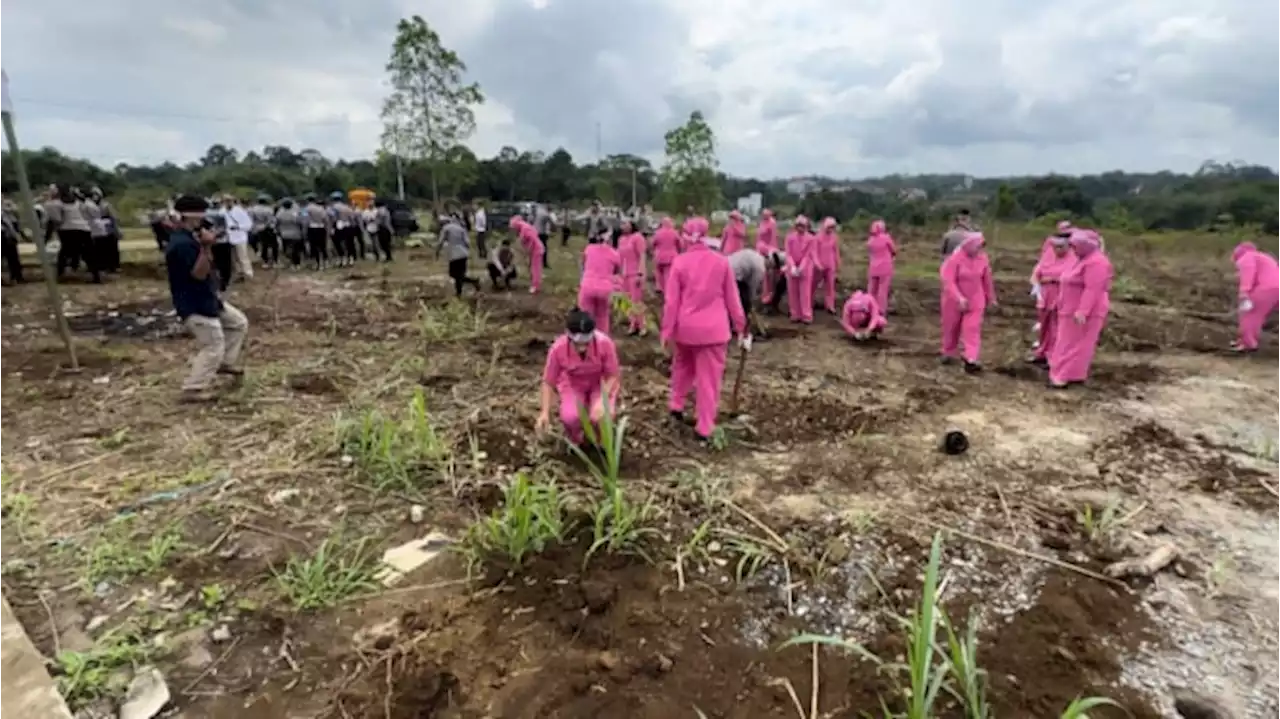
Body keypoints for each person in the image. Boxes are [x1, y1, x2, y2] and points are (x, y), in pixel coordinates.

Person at [661, 232, 749, 443]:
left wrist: (667, 331)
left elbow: (671, 302)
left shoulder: (680, 262)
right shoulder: (721, 263)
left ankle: (676, 405)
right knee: (708, 380)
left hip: (686, 329)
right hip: (714, 331)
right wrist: (741, 326)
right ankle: (704, 426)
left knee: (682, 367)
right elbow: (733, 299)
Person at [164, 196, 248, 403]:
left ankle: (225, 363)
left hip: (207, 298)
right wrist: (207, 247)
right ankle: (193, 388)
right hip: (195, 304)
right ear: (190, 216)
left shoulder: (188, 237)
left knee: (238, 323)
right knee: (212, 344)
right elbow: (199, 274)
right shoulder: (183, 244)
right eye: (201, 214)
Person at [536, 309, 622, 446]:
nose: (582, 348)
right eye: (577, 344)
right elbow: (548, 382)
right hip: (573, 383)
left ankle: (601, 441)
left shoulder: (605, 344)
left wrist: (602, 400)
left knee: (601, 416)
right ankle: (579, 440)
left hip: (601, 383)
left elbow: (612, 375)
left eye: (586, 344)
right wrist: (545, 412)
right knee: (571, 417)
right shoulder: (558, 348)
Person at [1048, 230, 1112, 387]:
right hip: (1069, 309)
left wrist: (1083, 311)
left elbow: (1093, 289)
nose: (1072, 249)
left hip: (1084, 312)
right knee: (1066, 342)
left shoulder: (1097, 263)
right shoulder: (1081, 260)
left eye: (1075, 246)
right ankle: (1069, 374)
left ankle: (1063, 376)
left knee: (1075, 344)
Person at [939, 232, 997, 373]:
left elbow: (986, 279)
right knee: (951, 328)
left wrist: (991, 298)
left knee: (972, 329)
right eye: (977, 247)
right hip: (953, 301)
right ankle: (949, 351)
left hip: (975, 300)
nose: (979, 250)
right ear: (968, 245)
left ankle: (971, 358)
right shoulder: (954, 259)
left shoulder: (982, 259)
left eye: (981, 247)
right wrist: (959, 297)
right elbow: (948, 281)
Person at [1027, 222, 1075, 365]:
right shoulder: (1048, 254)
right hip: (1045, 295)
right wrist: (1036, 281)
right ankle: (1041, 352)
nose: (1057, 250)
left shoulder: (1073, 257)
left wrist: (1052, 279)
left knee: (1056, 327)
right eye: (1055, 247)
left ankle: (1053, 355)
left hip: (1061, 295)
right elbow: (1038, 270)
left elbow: (1071, 277)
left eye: (1061, 247)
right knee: (1044, 325)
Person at [1230, 241, 1280, 353]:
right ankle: (1244, 340)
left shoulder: (1246, 257)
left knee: (1249, 315)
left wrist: (1244, 292)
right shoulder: (1264, 257)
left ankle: (1247, 343)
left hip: (1266, 289)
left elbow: (1248, 274)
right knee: (1257, 315)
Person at [578, 231, 622, 335]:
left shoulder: (589, 249)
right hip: (605, 289)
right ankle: (602, 340)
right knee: (602, 316)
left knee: (586, 315)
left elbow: (583, 265)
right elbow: (617, 271)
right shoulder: (615, 254)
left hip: (588, 286)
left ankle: (585, 339)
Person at [436, 214, 481, 298]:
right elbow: (467, 242)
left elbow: (440, 242)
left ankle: (459, 292)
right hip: (463, 254)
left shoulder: (446, 228)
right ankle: (473, 281)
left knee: (454, 274)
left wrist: (437, 252)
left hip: (454, 254)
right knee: (459, 274)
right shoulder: (461, 228)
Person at [784, 216, 816, 323]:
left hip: (806, 268)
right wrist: (792, 266)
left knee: (805, 292)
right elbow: (788, 254)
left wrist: (800, 268)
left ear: (806, 227)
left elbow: (808, 255)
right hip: (791, 267)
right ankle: (795, 314)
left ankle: (806, 315)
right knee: (793, 291)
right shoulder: (789, 237)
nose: (800, 228)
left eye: (802, 226)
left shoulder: (811, 238)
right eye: (798, 226)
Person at [618, 220, 648, 335]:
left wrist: (641, 273)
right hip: (623, 273)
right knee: (625, 300)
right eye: (622, 224)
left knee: (636, 300)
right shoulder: (621, 239)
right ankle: (632, 323)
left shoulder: (638, 237)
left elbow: (642, 255)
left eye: (625, 223)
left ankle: (642, 325)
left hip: (634, 272)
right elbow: (619, 256)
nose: (623, 226)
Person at [866, 219, 897, 313]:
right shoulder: (886, 238)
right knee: (883, 290)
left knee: (871, 289)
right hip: (885, 267)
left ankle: (869, 308)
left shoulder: (870, 240)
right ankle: (880, 310)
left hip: (873, 267)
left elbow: (869, 252)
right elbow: (894, 250)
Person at [727, 247, 766, 319]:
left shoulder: (757, 256)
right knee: (742, 301)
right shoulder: (761, 268)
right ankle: (739, 322)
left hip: (729, 264)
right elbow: (753, 286)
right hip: (734, 274)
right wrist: (751, 301)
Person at [813, 217, 841, 313]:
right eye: (829, 227)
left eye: (833, 227)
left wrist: (838, 263)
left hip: (830, 264)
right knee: (814, 285)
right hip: (819, 265)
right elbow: (814, 252)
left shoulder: (834, 237)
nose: (831, 229)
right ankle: (810, 302)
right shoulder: (817, 237)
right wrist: (817, 264)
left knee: (830, 286)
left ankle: (830, 305)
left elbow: (835, 251)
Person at [511, 216, 545, 294]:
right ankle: (534, 283)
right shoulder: (523, 228)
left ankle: (535, 286)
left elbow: (532, 240)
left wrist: (528, 251)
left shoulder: (525, 228)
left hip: (537, 250)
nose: (513, 229)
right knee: (532, 268)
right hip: (533, 251)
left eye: (513, 227)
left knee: (535, 269)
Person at [755, 209, 779, 306]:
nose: (764, 216)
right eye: (763, 215)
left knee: (770, 273)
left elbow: (773, 238)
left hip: (768, 249)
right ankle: (764, 294)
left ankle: (770, 295)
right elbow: (758, 237)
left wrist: (771, 251)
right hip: (761, 248)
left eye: (766, 215)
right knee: (763, 272)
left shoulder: (772, 223)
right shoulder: (762, 223)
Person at [651, 217, 681, 295]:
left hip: (659, 256)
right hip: (671, 256)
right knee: (668, 274)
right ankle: (668, 291)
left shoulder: (657, 233)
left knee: (658, 272)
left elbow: (653, 244)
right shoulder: (674, 232)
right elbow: (679, 244)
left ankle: (659, 286)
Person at [302, 193, 330, 270]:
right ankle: (326, 262)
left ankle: (317, 264)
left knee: (314, 247)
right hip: (321, 228)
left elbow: (305, 221)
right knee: (322, 246)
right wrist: (327, 229)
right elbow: (326, 219)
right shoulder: (320, 208)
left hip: (312, 229)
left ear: (307, 200)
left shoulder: (306, 209)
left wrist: (304, 232)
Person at [275, 199, 306, 269]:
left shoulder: (279, 213)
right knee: (295, 250)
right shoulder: (295, 212)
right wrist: (302, 231)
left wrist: (278, 231)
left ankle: (291, 262)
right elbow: (300, 222)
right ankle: (297, 264)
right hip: (295, 234)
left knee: (286, 249)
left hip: (284, 234)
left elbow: (277, 223)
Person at [250, 195, 278, 268]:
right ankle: (275, 261)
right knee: (274, 245)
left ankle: (265, 262)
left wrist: (256, 227)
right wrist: (266, 226)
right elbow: (270, 220)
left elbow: (252, 220)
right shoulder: (268, 209)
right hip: (269, 228)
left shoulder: (253, 209)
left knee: (264, 245)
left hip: (259, 228)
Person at [534, 204, 553, 269]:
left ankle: (535, 262)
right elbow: (552, 224)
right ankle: (544, 263)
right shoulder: (547, 215)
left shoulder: (539, 212)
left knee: (536, 248)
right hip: (542, 233)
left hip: (535, 232)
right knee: (544, 249)